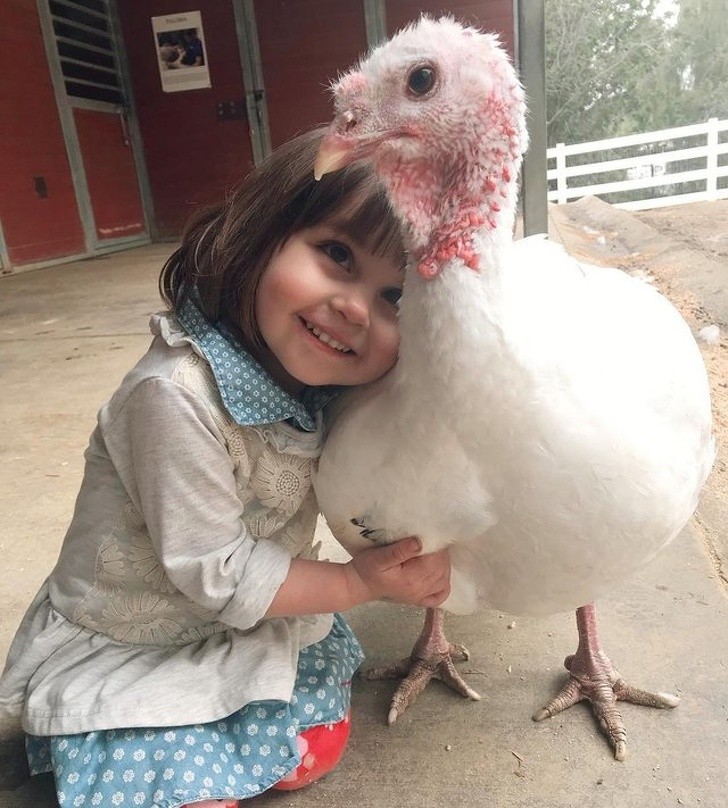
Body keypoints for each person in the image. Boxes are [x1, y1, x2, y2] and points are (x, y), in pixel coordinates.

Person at [0, 128, 451, 808]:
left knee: (299, 745)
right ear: (263, 230)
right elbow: (216, 572)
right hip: (135, 632)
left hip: (233, 622)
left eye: (397, 299)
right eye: (336, 255)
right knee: (181, 786)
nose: (356, 308)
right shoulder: (174, 397)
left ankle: (227, 737)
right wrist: (357, 582)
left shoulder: (321, 384)